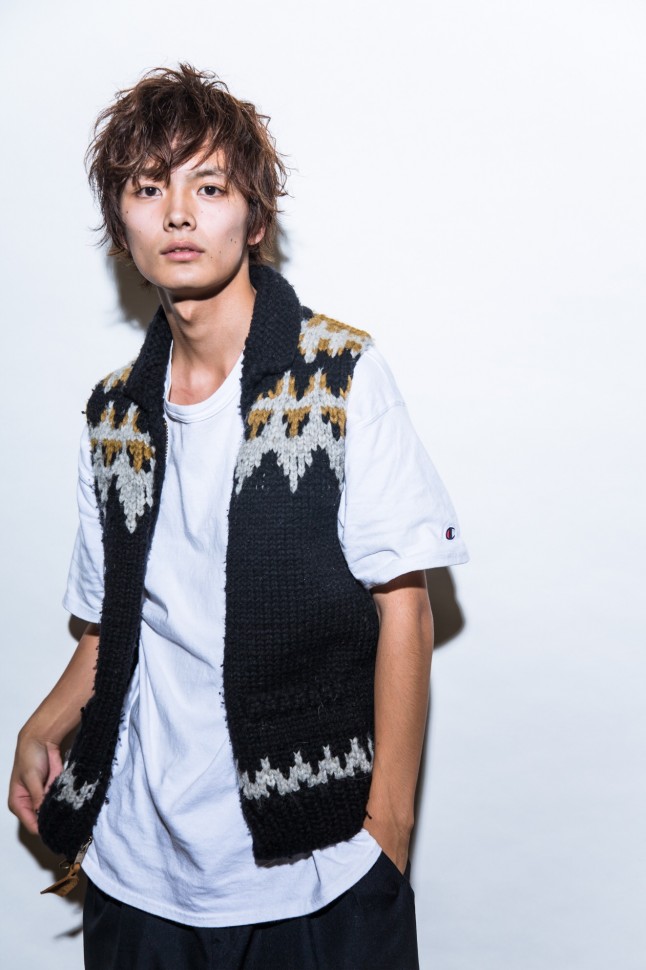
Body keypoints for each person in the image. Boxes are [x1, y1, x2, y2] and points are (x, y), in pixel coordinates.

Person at [8, 64, 468, 969]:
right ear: (121, 227)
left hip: (317, 873)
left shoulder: (339, 376)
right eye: (149, 189)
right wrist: (43, 722)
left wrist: (388, 834)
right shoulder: (115, 414)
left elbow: (405, 609)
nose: (178, 213)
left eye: (209, 187)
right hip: (137, 872)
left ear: (254, 219)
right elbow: (119, 622)